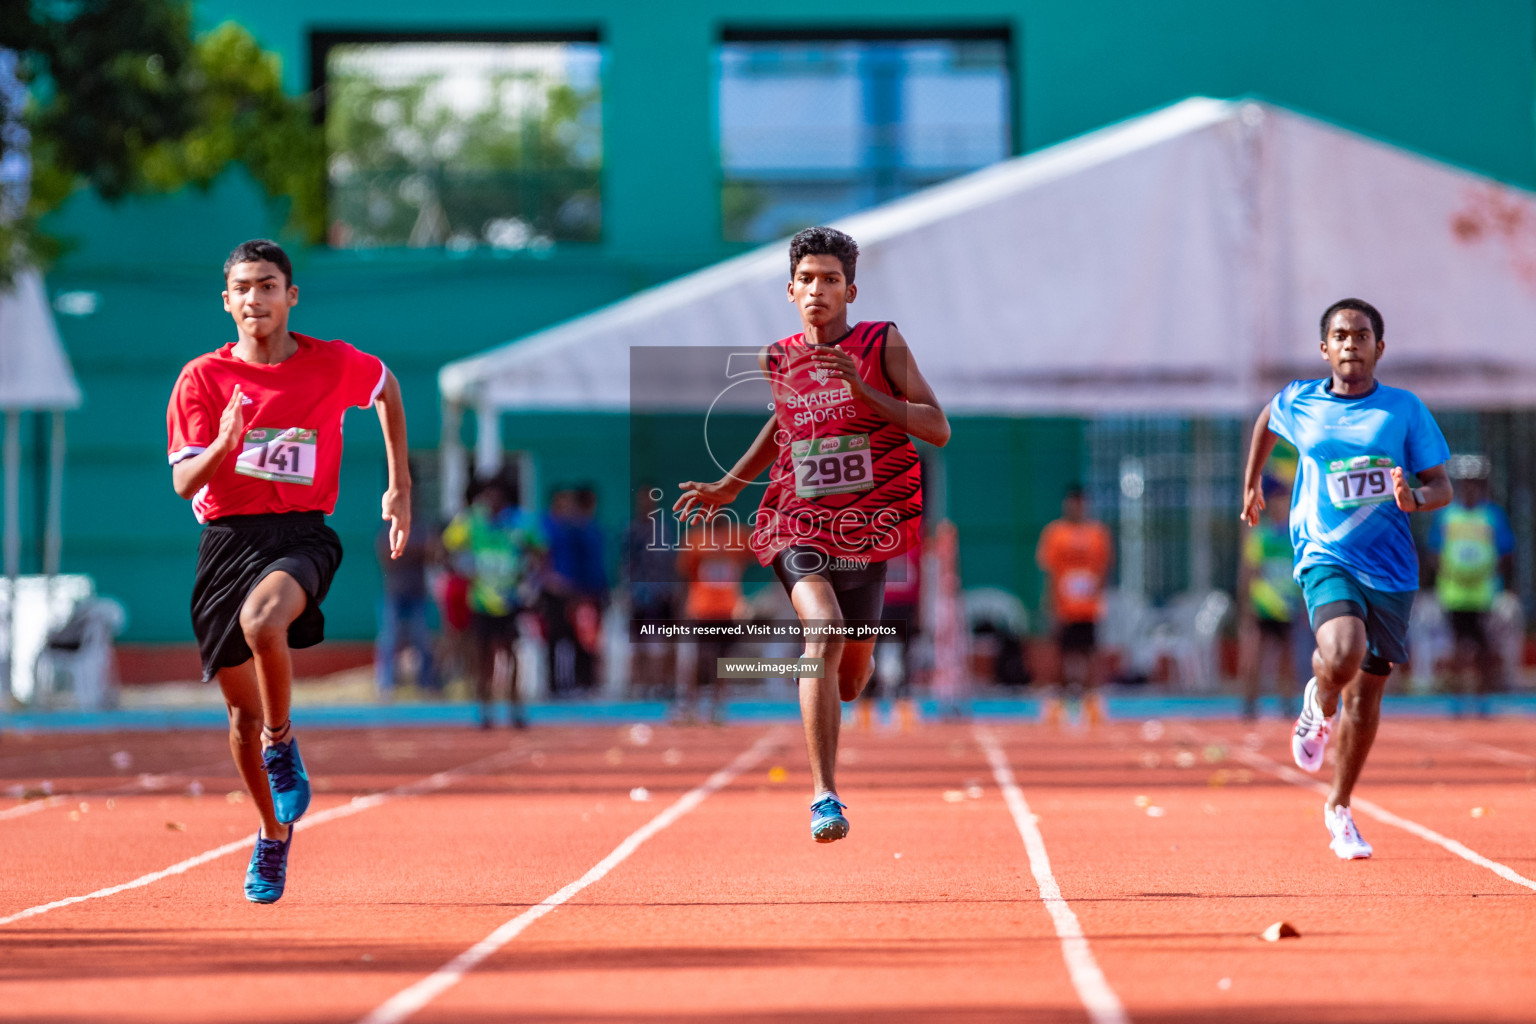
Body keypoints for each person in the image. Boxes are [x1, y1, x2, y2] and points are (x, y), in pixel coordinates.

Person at [675, 225, 950, 843]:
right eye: (807, 280)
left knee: (850, 676)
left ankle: (846, 675)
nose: (818, 290)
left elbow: (937, 427)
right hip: (793, 521)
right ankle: (825, 795)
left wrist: (862, 391)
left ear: (850, 290)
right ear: (790, 290)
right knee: (820, 631)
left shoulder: (882, 343)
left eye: (830, 280)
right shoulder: (779, 358)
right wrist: (728, 486)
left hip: (867, 528)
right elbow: (782, 424)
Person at [166, 239, 410, 903]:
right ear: (227, 301)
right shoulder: (201, 380)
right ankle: (273, 835)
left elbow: (386, 387)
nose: (255, 299)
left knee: (264, 621)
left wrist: (400, 485)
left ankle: (283, 743)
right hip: (226, 543)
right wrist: (224, 443)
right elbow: (187, 483)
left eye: (268, 285)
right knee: (238, 721)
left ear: (291, 295)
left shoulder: (330, 363)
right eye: (243, 287)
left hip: (301, 534)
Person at [1241, 297, 1451, 861]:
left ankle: (1339, 809)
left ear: (1379, 348)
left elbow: (1442, 485)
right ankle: (1318, 700)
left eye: (1361, 334)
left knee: (1368, 696)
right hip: (1325, 554)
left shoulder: (1404, 410)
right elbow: (1267, 417)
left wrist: (1415, 498)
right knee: (1340, 652)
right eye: (1340, 335)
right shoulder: (1300, 400)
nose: (1351, 343)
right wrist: (1253, 481)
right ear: (1325, 348)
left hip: (1391, 569)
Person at [443, 475, 546, 728]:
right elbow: (444, 548)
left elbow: (542, 551)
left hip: (510, 600)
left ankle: (516, 708)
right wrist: (461, 569)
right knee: (482, 656)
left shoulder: (521, 521)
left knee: (511, 655)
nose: (492, 501)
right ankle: (485, 709)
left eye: (497, 496)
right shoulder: (470, 521)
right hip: (480, 600)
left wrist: (530, 578)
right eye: (488, 496)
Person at [1427, 456, 1515, 715]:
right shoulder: (1447, 515)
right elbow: (1434, 550)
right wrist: (1446, 572)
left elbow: (1506, 552)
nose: (1470, 488)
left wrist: (1494, 576)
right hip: (1453, 592)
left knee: (1485, 646)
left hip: (1484, 592)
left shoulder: (1492, 515)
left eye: (1475, 483)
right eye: (1465, 483)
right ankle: (1457, 699)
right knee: (1456, 646)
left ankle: (1483, 700)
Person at [1035, 485, 1113, 727]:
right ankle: (1057, 704)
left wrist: (1099, 597)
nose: (1077, 507)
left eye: (1081, 503)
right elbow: (1050, 571)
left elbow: (1104, 569)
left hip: (1088, 606)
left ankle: (1092, 703)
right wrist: (1050, 603)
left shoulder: (1097, 533)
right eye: (1073, 503)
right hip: (1064, 605)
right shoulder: (1055, 533)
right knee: (1061, 654)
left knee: (1090, 654)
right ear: (1067, 504)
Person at [1237, 474, 1307, 720]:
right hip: (1263, 607)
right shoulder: (1261, 535)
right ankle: (1249, 704)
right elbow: (1251, 572)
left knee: (1287, 659)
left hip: (1287, 607)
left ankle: (1287, 704)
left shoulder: (1294, 536)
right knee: (1254, 656)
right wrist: (1247, 606)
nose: (1283, 505)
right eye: (1279, 500)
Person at [675, 518, 752, 723]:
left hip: (727, 610)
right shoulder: (696, 540)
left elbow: (757, 548)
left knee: (721, 661)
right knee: (702, 660)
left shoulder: (736, 538)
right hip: (704, 610)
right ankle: (689, 707)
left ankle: (716, 707)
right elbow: (685, 573)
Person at [375, 472, 438, 699]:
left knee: (422, 638)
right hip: (394, 591)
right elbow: (387, 555)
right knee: (389, 638)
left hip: (418, 592)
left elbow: (431, 553)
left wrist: (408, 552)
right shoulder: (389, 524)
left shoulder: (421, 526)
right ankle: (386, 685)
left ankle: (427, 683)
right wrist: (413, 552)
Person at [623, 486, 682, 697]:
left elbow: (673, 562)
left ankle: (665, 684)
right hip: (639, 594)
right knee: (639, 642)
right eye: (642, 500)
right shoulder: (632, 531)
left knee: (665, 641)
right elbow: (626, 564)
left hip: (663, 593)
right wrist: (627, 591)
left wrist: (675, 589)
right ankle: (641, 685)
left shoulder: (665, 530)